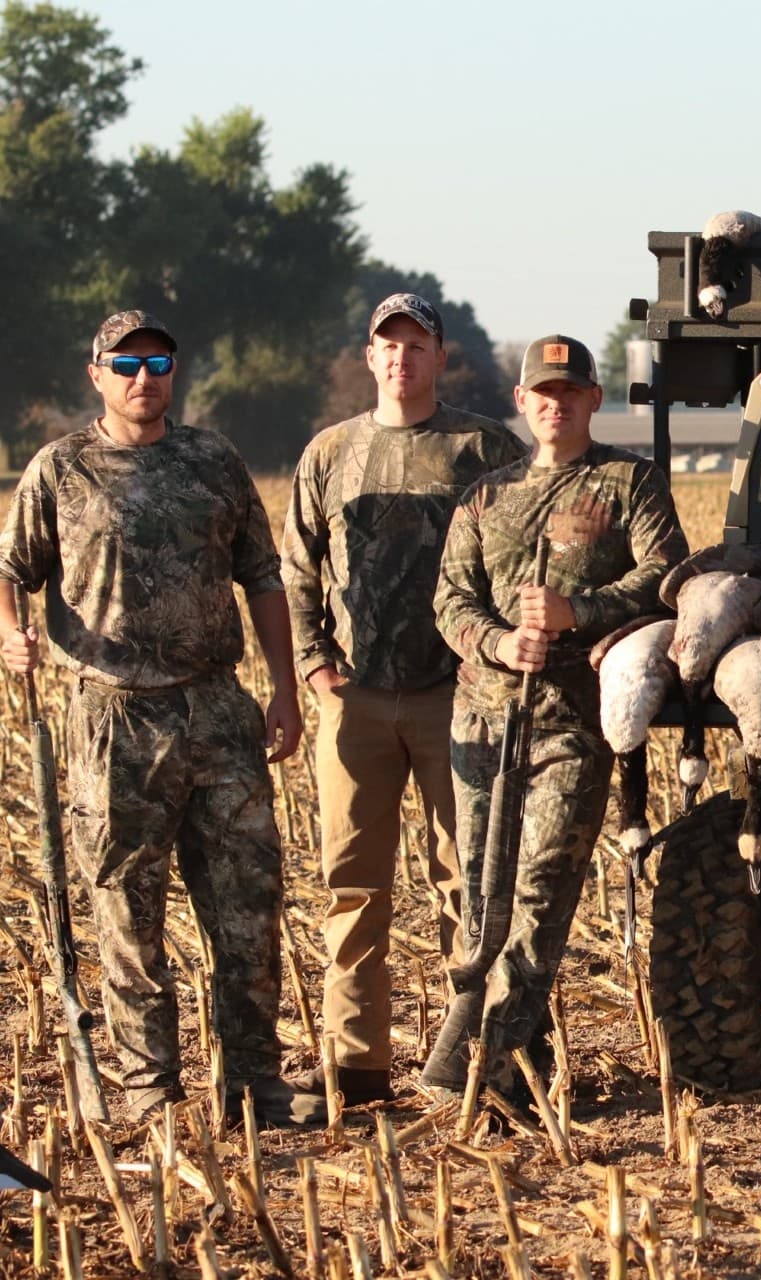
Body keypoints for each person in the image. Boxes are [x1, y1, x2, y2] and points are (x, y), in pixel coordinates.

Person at [0, 311, 324, 1127]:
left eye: (158, 362)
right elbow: (9, 570)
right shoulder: (62, 469)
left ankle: (257, 1085)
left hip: (217, 709)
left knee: (249, 910)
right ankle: (151, 1092)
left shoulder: (213, 460)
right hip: (112, 718)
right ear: (97, 373)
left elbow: (264, 578)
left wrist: (282, 691)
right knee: (127, 915)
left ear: (174, 373)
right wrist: (12, 634)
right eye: (127, 364)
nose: (144, 377)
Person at [420, 334, 687, 1095]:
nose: (555, 404)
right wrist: (498, 644)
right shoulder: (486, 495)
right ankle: (521, 1065)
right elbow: (450, 600)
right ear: (522, 403)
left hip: (571, 722)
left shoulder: (627, 483)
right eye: (542, 392)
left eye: (570, 392)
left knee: (540, 894)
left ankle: (485, 1070)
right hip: (481, 722)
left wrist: (581, 611)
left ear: (594, 399)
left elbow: (667, 574)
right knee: (482, 897)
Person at [281, 294, 529, 1104]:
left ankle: (477, 1060)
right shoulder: (330, 452)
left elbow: (520, 559)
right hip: (354, 704)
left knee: (472, 884)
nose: (400, 358)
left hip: (457, 700)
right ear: (369, 356)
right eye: (388, 345)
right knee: (353, 887)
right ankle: (355, 1068)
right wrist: (316, 667)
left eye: (415, 345)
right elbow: (296, 575)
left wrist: (490, 662)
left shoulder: (483, 447)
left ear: (439, 354)